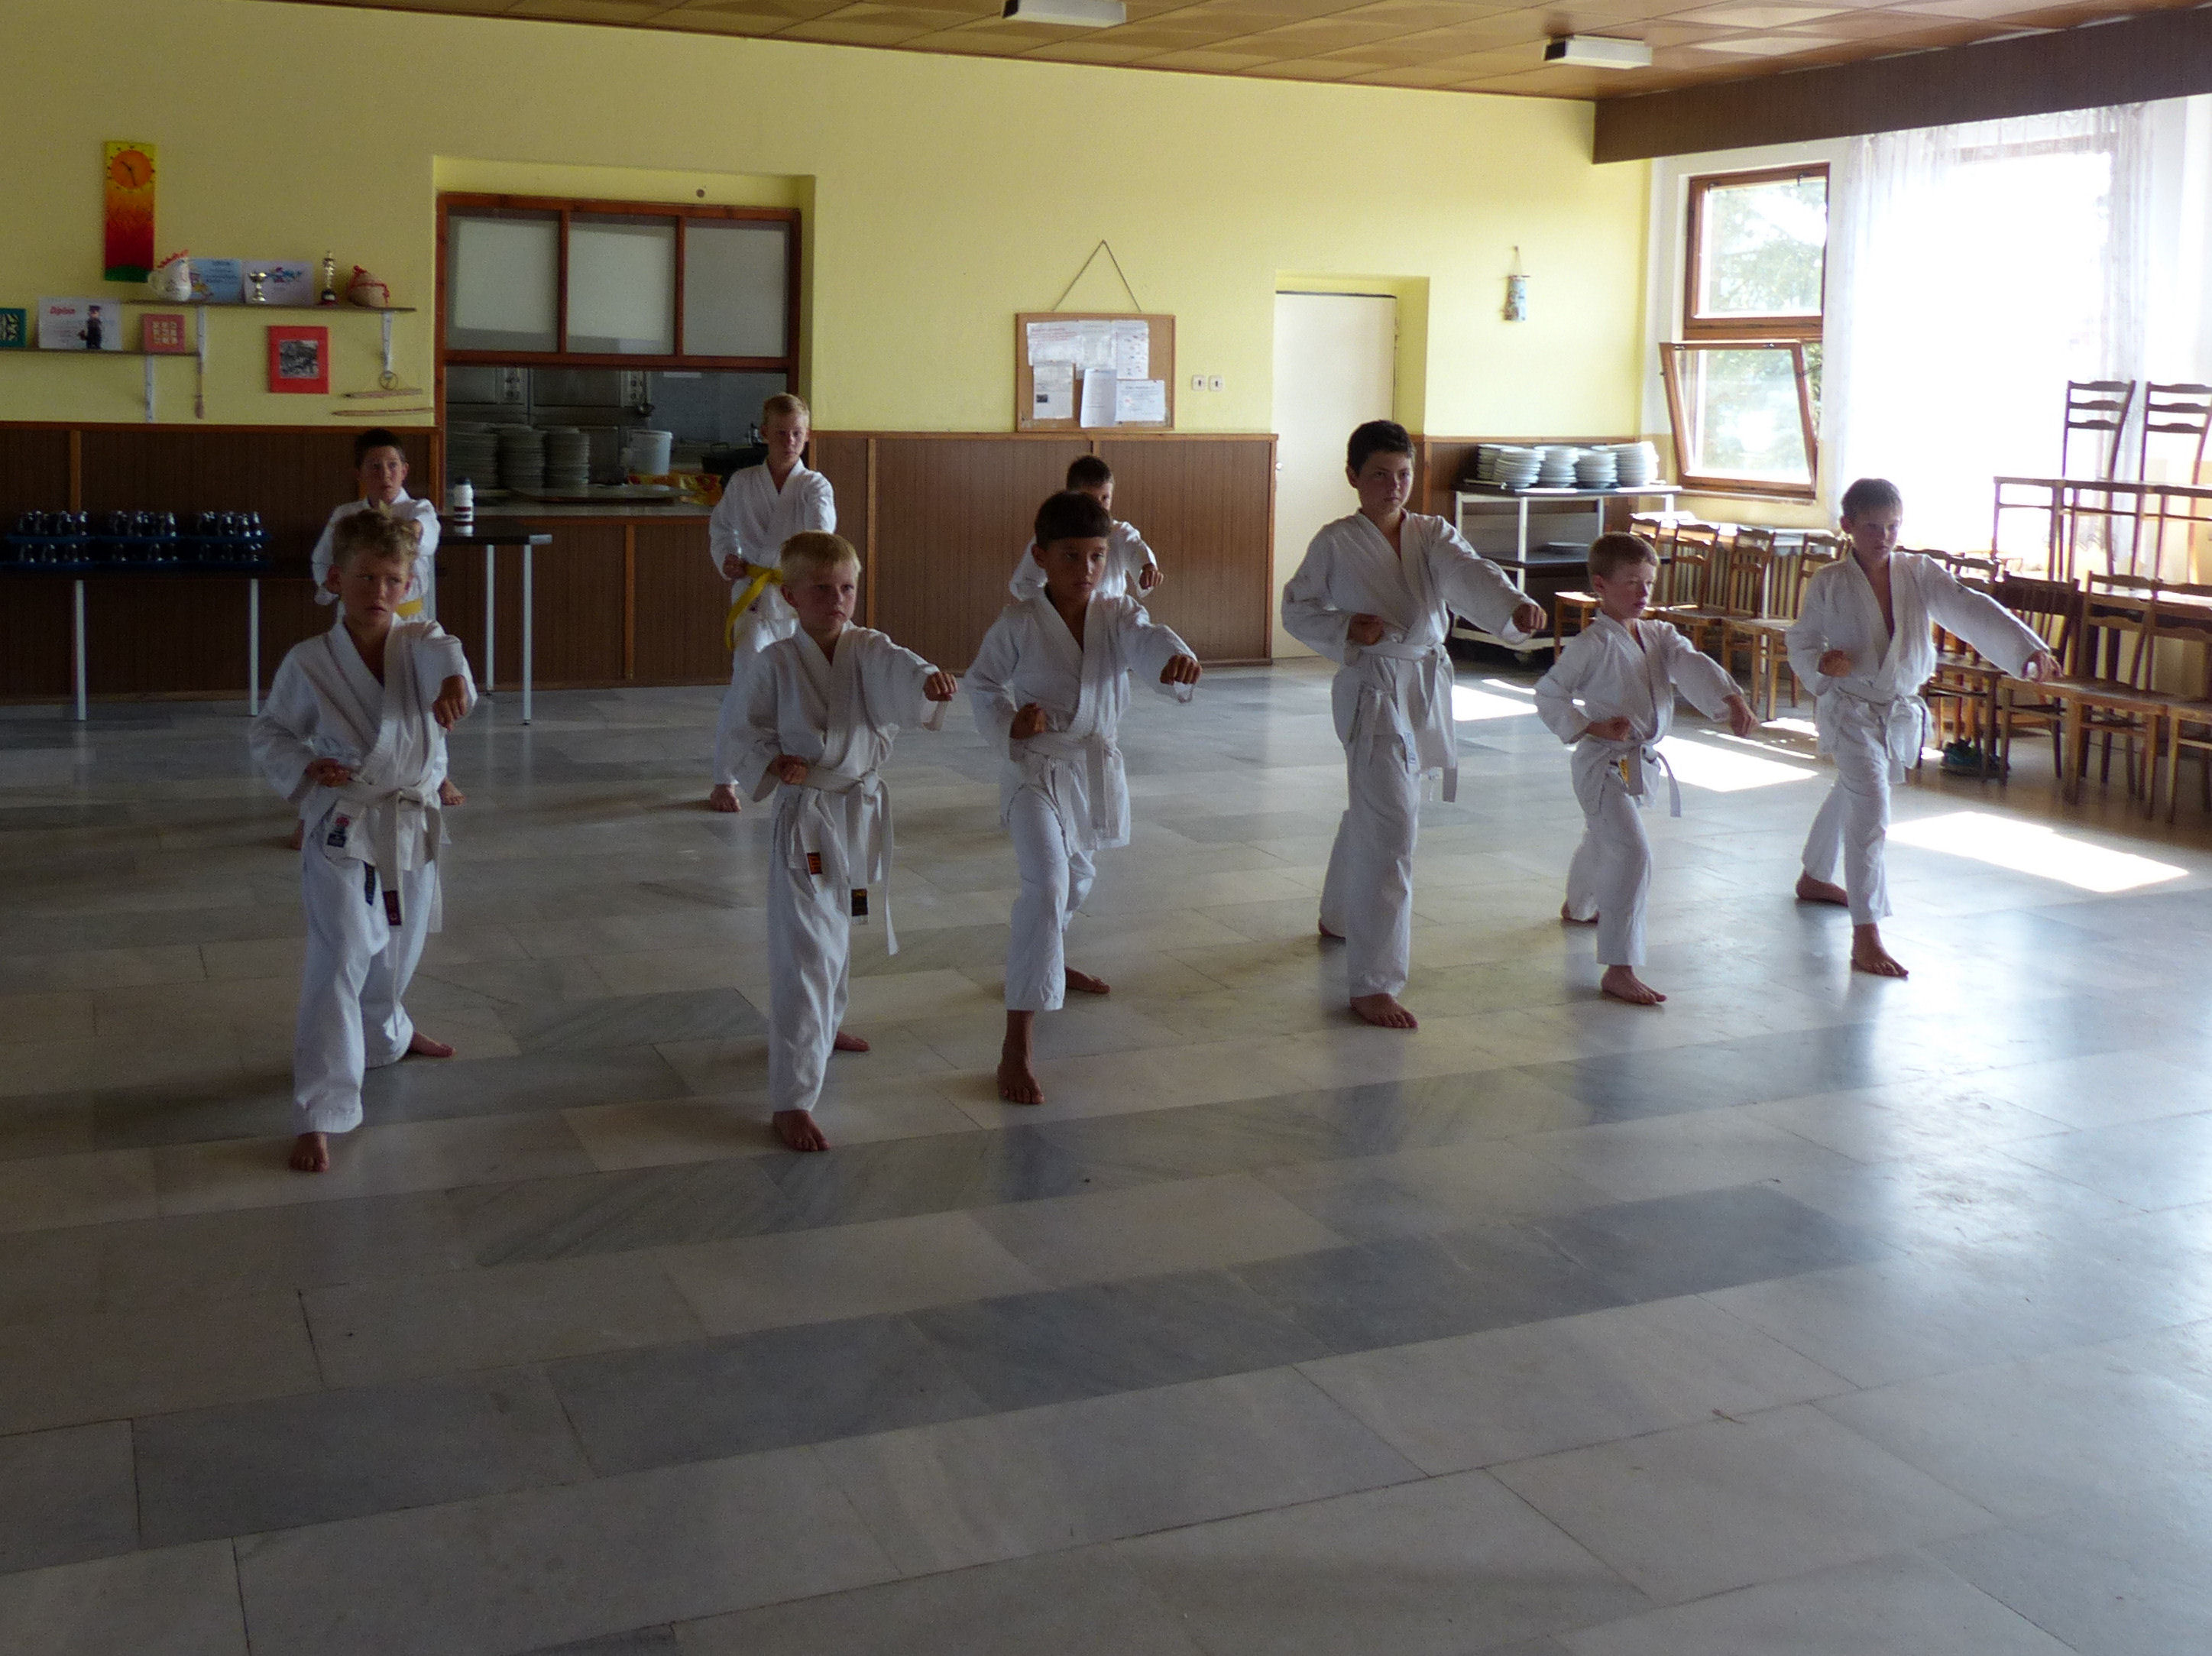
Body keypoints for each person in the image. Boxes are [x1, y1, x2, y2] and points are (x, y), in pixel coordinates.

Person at [1281, 419, 1546, 1029]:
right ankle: (1373, 983)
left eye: (1402, 475)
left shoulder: (1432, 534)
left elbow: (1470, 573)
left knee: (1376, 809)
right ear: (1352, 477)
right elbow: (1296, 607)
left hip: (1422, 683)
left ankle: (1338, 916)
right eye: (1379, 475)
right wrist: (1346, 627)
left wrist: (1511, 606)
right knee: (1394, 826)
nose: (1393, 486)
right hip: (1372, 687)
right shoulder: (1334, 542)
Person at [248, 508, 474, 1175]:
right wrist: (304, 765)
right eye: (366, 577)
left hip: (408, 822)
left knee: (400, 948)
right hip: (344, 824)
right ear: (335, 580)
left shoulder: (421, 641)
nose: (380, 591)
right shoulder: (309, 661)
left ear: (409, 585)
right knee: (342, 953)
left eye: (393, 579)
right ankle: (321, 1108)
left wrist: (456, 682)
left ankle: (388, 1033)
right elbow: (270, 731)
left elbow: (445, 650)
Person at [968, 490, 1201, 1105]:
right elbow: (983, 683)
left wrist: (1173, 662)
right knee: (1045, 884)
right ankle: (1016, 1040)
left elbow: (1149, 640)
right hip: (1035, 769)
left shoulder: (1117, 613)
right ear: (1041, 556)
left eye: (1097, 556)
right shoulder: (1019, 621)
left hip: (1089, 770)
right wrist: (1011, 723)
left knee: (1075, 881)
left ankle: (1050, 956)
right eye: (1071, 556)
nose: (1086, 569)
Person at [728, 533, 957, 1153]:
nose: (837, 600)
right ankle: (792, 1096)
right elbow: (741, 732)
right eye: (822, 589)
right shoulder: (774, 662)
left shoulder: (868, 648)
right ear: (789, 596)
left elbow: (904, 669)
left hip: (856, 810)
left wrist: (928, 683)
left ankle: (824, 1028)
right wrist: (772, 761)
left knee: (838, 930)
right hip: (805, 816)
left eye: (848, 588)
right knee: (806, 948)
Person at [1786, 478, 2059, 978]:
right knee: (1871, 805)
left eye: (1893, 526)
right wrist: (1822, 663)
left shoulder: (1918, 572)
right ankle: (1866, 934)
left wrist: (2027, 648)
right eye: (1873, 527)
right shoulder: (1828, 581)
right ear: (1847, 526)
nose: (1884, 537)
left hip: (1896, 708)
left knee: (1854, 791)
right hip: (1850, 707)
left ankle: (1814, 876)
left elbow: (1969, 607)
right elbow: (1801, 640)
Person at [1537, 532, 1759, 1006]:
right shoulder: (1592, 643)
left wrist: (1731, 698)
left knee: (1602, 836)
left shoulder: (1659, 636)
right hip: (1601, 763)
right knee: (1632, 853)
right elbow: (1549, 694)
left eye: (1649, 583)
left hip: (1635, 762)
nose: (1642, 593)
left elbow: (1691, 663)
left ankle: (1579, 906)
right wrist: (1591, 726)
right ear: (1600, 585)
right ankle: (1620, 968)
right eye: (1631, 582)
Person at [290, 429, 454, 850]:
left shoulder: (419, 510)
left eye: (393, 465)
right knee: (338, 711)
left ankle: (435, 775)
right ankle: (312, 808)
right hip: (357, 615)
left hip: (407, 618)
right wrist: (330, 587)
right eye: (375, 467)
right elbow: (323, 561)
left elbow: (422, 537)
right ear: (359, 474)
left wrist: (398, 527)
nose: (385, 474)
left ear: (405, 470)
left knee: (422, 707)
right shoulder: (345, 515)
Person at [707, 394, 836, 814]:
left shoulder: (814, 486)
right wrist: (728, 558)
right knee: (746, 683)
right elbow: (721, 527)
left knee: (803, 685)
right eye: (781, 433)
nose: (789, 441)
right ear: (764, 433)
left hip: (798, 598)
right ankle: (725, 778)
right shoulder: (743, 482)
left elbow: (821, 535)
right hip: (754, 595)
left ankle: (803, 766)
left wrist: (802, 568)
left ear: (807, 436)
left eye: (797, 433)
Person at [1009, 454, 1162, 602]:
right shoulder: (1053, 532)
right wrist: (1053, 606)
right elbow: (1024, 583)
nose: (1099, 506)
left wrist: (1147, 568)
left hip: (1109, 613)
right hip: (1062, 613)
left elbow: (1136, 549)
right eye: (1090, 499)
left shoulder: (1120, 533)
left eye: (1105, 498)